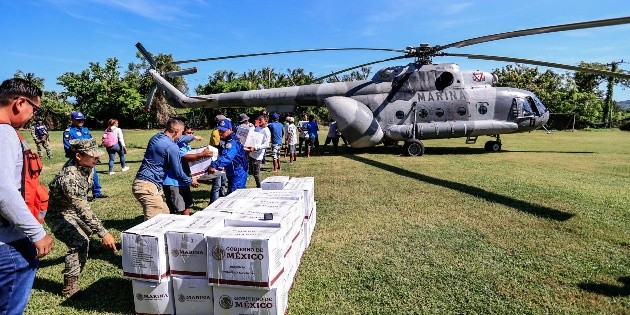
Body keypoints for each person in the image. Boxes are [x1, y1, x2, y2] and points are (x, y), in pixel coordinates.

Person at [0, 78, 54, 313]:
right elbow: (3, 191)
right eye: (34, 108)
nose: (33, 115)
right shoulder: (4, 134)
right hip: (8, 244)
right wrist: (37, 233)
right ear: (20, 103)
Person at [46, 139, 117, 298]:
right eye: (93, 156)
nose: (97, 159)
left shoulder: (87, 166)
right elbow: (82, 208)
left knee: (86, 230)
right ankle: (69, 287)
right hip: (57, 214)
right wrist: (103, 233)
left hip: (71, 208)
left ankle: (89, 248)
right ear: (78, 156)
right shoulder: (70, 177)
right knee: (79, 242)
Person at [132, 118, 194, 220]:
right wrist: (190, 181)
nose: (183, 135)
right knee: (153, 223)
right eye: (182, 132)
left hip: (142, 183)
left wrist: (193, 137)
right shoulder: (172, 147)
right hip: (147, 187)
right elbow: (177, 172)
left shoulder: (156, 138)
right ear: (177, 131)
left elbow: (180, 139)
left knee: (165, 215)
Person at [163, 124, 210, 215]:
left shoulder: (186, 146)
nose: (191, 136)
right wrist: (201, 155)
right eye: (188, 133)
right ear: (181, 134)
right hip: (173, 182)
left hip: (183, 180)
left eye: (192, 133)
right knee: (177, 209)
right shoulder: (177, 145)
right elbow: (186, 158)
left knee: (187, 204)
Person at [63, 111, 106, 199]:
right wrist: (77, 158)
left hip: (90, 158)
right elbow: (68, 147)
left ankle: (97, 193)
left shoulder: (86, 130)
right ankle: (81, 195)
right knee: (79, 176)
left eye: (82, 120)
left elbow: (92, 144)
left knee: (93, 174)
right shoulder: (68, 132)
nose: (81, 121)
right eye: (78, 120)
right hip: (78, 159)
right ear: (72, 120)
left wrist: (95, 156)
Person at [208, 119, 248, 194]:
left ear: (230, 129)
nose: (220, 133)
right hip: (232, 170)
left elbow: (227, 157)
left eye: (223, 131)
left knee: (236, 194)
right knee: (233, 192)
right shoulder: (227, 139)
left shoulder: (232, 142)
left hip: (238, 171)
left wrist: (214, 165)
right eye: (219, 131)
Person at [247, 115, 270, 188]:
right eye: (259, 119)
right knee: (250, 172)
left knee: (256, 174)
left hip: (258, 155)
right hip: (251, 153)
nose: (259, 120)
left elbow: (266, 144)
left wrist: (256, 147)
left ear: (266, 121)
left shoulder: (266, 131)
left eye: (261, 120)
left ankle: (260, 188)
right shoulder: (257, 128)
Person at [209, 114, 227, 204]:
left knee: (223, 182)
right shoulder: (216, 132)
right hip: (217, 159)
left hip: (222, 159)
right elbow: (217, 145)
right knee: (217, 184)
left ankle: (222, 200)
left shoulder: (217, 131)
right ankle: (214, 203)